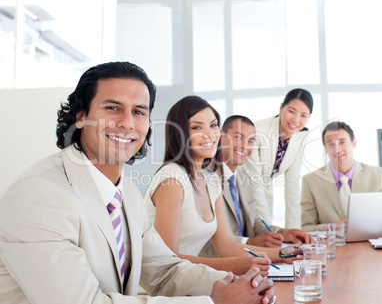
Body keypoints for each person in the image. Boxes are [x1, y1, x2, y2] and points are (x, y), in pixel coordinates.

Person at [0, 62, 276, 304]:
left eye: (139, 112)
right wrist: (214, 302)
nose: (127, 123)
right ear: (81, 116)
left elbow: (164, 269)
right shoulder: (39, 195)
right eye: (113, 108)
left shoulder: (126, 191)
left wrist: (237, 285)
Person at [144, 96, 298, 278]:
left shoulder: (211, 180)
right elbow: (168, 260)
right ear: (180, 134)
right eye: (196, 127)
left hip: (191, 280)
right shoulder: (172, 180)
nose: (210, 134)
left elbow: (227, 246)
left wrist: (289, 253)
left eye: (213, 125)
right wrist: (230, 266)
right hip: (160, 288)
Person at [200, 115, 314, 258]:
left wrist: (281, 233)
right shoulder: (203, 178)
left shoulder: (244, 179)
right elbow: (203, 238)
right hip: (218, 266)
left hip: (248, 264)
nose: (244, 146)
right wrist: (250, 242)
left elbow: (253, 221)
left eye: (250, 141)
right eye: (238, 137)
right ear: (221, 137)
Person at [240, 88, 314, 229]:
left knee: (270, 239)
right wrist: (269, 229)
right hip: (242, 188)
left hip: (263, 192)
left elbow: (292, 184)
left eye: (303, 115)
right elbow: (254, 180)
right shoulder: (257, 130)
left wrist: (294, 232)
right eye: (291, 111)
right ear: (281, 108)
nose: (296, 120)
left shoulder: (301, 136)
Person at [301, 121, 382, 232]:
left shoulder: (377, 175)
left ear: (354, 143)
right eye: (330, 144)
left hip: (369, 244)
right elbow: (306, 228)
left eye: (342, 142)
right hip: (332, 246)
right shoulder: (310, 181)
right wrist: (331, 228)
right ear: (325, 148)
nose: (337, 149)